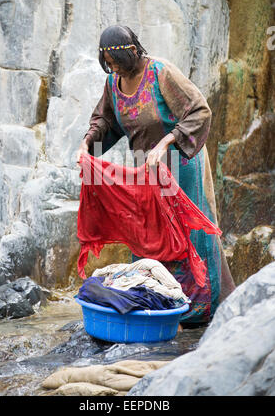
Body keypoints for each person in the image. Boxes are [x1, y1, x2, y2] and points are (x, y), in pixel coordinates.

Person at [76, 25, 235, 326]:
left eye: (118, 64)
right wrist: (87, 148)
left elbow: (200, 111)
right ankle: (160, 304)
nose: (114, 70)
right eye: (109, 65)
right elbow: (104, 123)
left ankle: (202, 308)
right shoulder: (114, 83)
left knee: (187, 230)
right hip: (146, 168)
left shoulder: (161, 72)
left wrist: (166, 142)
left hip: (180, 162)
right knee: (148, 231)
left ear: (133, 53)